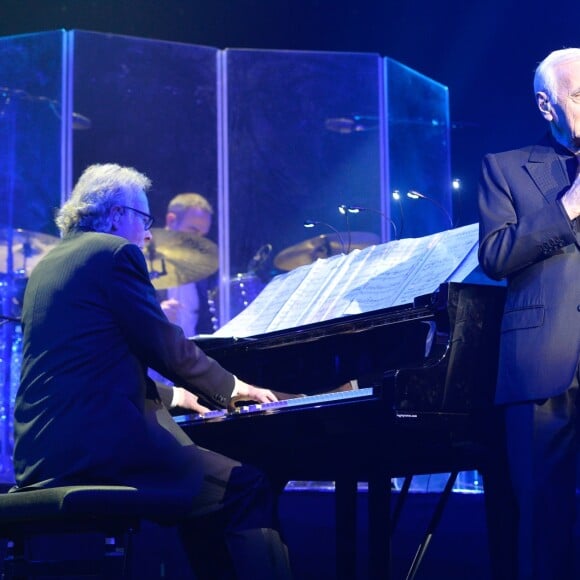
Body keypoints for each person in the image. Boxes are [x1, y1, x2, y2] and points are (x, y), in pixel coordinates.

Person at [11, 163, 293, 579]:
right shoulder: (113, 254)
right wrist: (232, 387)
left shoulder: (51, 266)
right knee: (243, 485)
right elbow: (167, 347)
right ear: (115, 214)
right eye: (143, 219)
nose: (147, 234)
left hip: (43, 451)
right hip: (98, 450)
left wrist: (175, 397)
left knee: (207, 493)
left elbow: (84, 369)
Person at [478, 48, 580, 579]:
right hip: (544, 369)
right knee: (544, 524)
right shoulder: (505, 168)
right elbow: (495, 256)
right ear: (547, 106)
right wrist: (570, 204)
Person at [159, 192, 216, 336]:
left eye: (202, 235)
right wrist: (156, 316)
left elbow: (205, 325)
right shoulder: (139, 259)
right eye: (193, 231)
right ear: (171, 221)